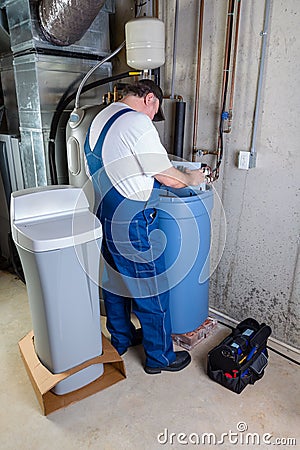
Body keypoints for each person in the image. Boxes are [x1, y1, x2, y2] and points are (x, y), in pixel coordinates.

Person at [84, 79, 206, 374]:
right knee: (151, 288)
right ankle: (159, 357)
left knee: (113, 282)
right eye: (155, 111)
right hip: (130, 222)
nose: (153, 118)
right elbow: (170, 179)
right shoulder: (138, 123)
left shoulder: (101, 116)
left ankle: (122, 338)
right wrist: (195, 177)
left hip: (102, 212)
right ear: (150, 99)